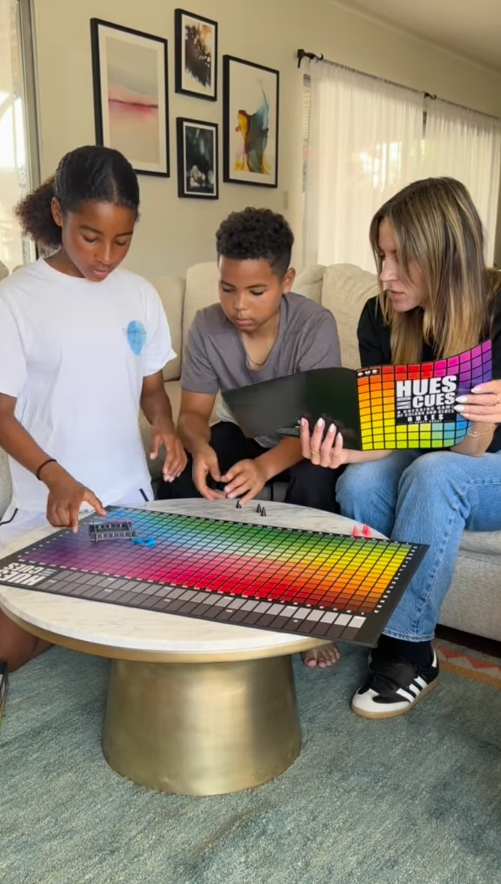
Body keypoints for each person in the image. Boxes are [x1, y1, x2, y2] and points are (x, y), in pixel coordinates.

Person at [300, 177, 501, 714]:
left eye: (401, 258)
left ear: (443, 254)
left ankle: (408, 651)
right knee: (362, 480)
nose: (386, 274)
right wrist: (346, 452)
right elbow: (392, 432)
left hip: (494, 460)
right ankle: (379, 624)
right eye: (382, 255)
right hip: (439, 453)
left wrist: (486, 417)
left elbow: (472, 452)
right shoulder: (380, 316)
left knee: (433, 474)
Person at [0, 145, 186, 672]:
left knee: (150, 651)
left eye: (122, 239)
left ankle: (92, 609)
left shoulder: (140, 296)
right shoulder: (14, 298)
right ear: (57, 215)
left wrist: (165, 426)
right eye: (90, 236)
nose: (106, 257)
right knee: (0, 661)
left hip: (126, 503)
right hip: (41, 504)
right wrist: (53, 477)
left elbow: (153, 390)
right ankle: (80, 613)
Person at [157, 207, 343, 668]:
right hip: (244, 433)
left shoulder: (314, 325)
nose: (238, 305)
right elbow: (194, 413)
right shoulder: (205, 326)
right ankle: (200, 594)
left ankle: (310, 615)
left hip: (306, 443)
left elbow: (320, 427)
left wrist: (264, 468)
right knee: (178, 472)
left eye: (256, 291)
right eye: (227, 288)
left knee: (317, 483)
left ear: (287, 281)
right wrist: (198, 448)